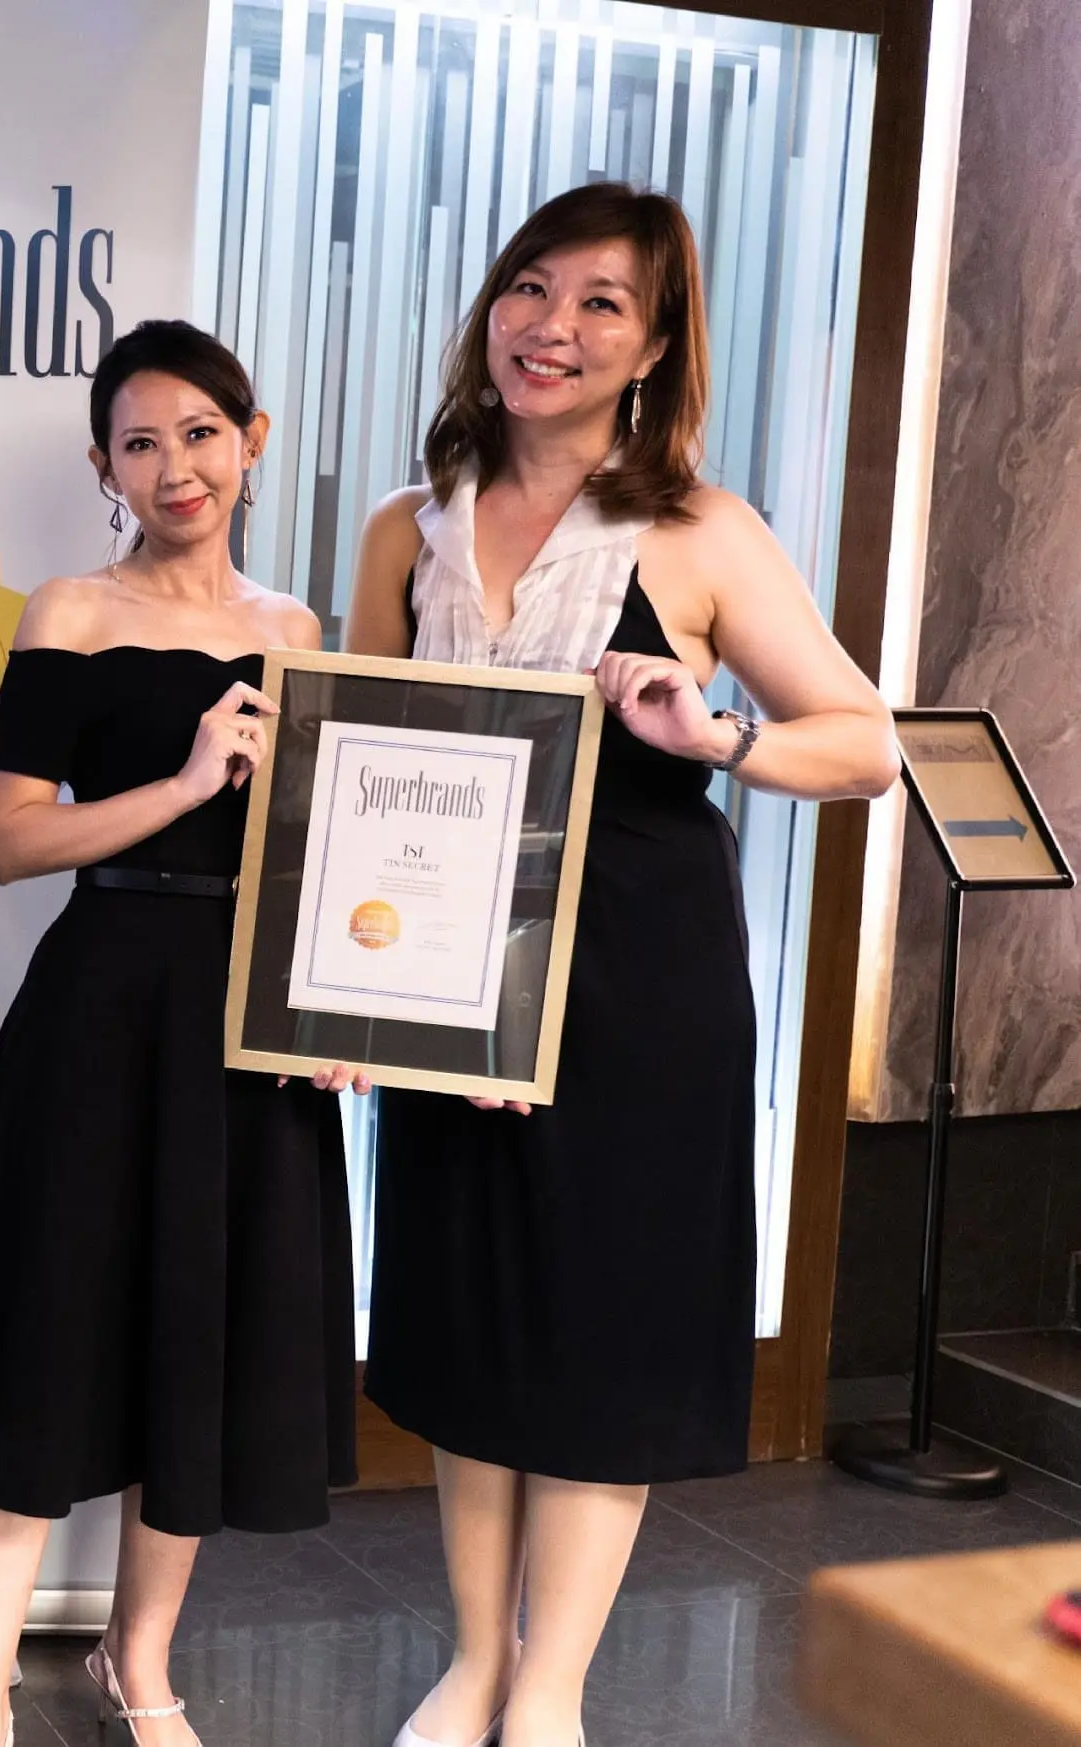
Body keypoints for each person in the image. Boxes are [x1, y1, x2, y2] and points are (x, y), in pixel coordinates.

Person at [343, 183, 897, 1747]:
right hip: (454, 971)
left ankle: (551, 1687)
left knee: (603, 1322)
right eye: (533, 287)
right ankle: (474, 1657)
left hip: (640, 976)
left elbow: (863, 744)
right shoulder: (406, 524)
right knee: (468, 1317)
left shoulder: (701, 531)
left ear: (654, 348)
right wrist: (343, 993)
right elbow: (358, 760)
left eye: (603, 303)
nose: (554, 326)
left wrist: (714, 736)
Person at [0, 319, 361, 1747]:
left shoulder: (298, 633)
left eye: (201, 434)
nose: (176, 468)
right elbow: (10, 841)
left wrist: (341, 1007)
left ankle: (139, 1662)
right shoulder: (72, 612)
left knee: (198, 1344)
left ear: (252, 442)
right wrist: (183, 782)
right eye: (141, 443)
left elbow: (321, 861)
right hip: (102, 1003)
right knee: (52, 1331)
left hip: (248, 1027)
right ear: (103, 465)